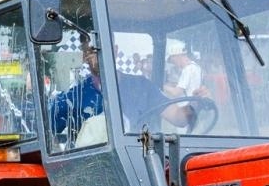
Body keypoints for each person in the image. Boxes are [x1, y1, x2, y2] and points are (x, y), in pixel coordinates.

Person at [48, 41, 190, 143]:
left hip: (144, 161)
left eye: (103, 47)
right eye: (91, 52)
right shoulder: (73, 96)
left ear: (115, 50)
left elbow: (178, 118)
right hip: (94, 172)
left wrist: (197, 105)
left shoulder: (142, 86)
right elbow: (48, 133)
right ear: (84, 57)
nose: (97, 55)